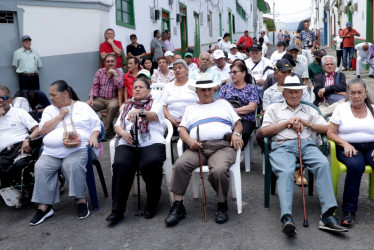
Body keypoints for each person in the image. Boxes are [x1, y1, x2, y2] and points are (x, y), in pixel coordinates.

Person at [261, 76, 348, 236]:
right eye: (291, 92)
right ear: (284, 93)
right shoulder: (274, 108)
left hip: (307, 145)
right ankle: (286, 217)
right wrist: (287, 123)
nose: (294, 95)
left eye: (297, 92)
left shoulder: (309, 109)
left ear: (301, 93)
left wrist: (306, 122)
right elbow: (264, 131)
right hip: (282, 146)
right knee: (287, 171)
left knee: (322, 163)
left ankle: (327, 216)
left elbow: (327, 129)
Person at [164, 74, 243, 226]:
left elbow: (238, 123)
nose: (207, 93)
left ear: (214, 90)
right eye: (203, 90)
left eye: (210, 89)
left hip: (222, 146)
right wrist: (189, 141)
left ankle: (222, 205)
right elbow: (182, 130)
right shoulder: (190, 108)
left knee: (219, 169)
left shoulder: (223, 104)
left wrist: (236, 133)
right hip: (197, 147)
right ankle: (178, 206)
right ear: (197, 92)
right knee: (180, 165)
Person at [30, 80, 101, 226]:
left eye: (53, 95)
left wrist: (94, 137)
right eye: (50, 95)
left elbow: (96, 125)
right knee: (41, 167)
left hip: (78, 148)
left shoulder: (82, 107)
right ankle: (44, 207)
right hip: (52, 152)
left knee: (73, 164)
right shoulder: (50, 110)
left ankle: (80, 200)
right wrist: (60, 115)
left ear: (65, 93)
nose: (51, 98)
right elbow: (43, 131)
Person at [105, 78, 166, 224]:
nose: (137, 89)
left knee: (151, 163)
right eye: (135, 87)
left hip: (151, 141)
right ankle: (117, 210)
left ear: (149, 91)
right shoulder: (127, 106)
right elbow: (118, 125)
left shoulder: (155, 104)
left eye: (141, 87)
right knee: (121, 164)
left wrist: (141, 112)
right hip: (129, 142)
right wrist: (123, 133)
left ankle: (152, 203)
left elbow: (154, 116)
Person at [327, 78, 374, 227]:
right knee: (355, 166)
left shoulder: (373, 108)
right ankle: (349, 210)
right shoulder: (341, 109)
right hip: (349, 147)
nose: (356, 96)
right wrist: (344, 143)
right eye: (352, 93)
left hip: (371, 147)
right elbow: (330, 132)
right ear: (347, 94)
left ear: (365, 93)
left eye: (359, 92)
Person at [0, 86, 39, 186]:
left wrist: (28, 139)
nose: (1, 100)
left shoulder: (19, 112)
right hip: (2, 153)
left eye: (4, 97)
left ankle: (24, 191)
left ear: (10, 99)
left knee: (19, 165)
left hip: (20, 148)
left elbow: (37, 128)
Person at [219, 60, 258, 148]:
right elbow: (221, 105)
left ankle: (235, 153)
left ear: (244, 73)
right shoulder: (225, 88)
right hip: (228, 118)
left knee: (243, 133)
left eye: (235, 72)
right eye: (231, 72)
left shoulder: (251, 89)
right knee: (220, 132)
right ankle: (227, 153)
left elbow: (252, 107)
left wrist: (234, 111)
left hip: (246, 119)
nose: (232, 75)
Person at [87, 54, 124, 140]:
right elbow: (94, 86)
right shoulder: (100, 72)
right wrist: (91, 97)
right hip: (100, 98)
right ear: (105, 63)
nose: (110, 63)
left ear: (115, 62)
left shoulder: (120, 73)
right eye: (108, 61)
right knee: (87, 107)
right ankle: (92, 129)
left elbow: (120, 86)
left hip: (114, 98)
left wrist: (114, 74)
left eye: (112, 61)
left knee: (111, 106)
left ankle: (106, 132)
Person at [160, 59, 198, 133]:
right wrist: (170, 118)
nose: (177, 70)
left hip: (191, 121)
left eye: (180, 68)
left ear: (187, 70)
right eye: (175, 69)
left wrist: (188, 115)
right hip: (172, 123)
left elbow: (200, 103)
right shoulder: (168, 86)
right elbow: (163, 106)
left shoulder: (194, 84)